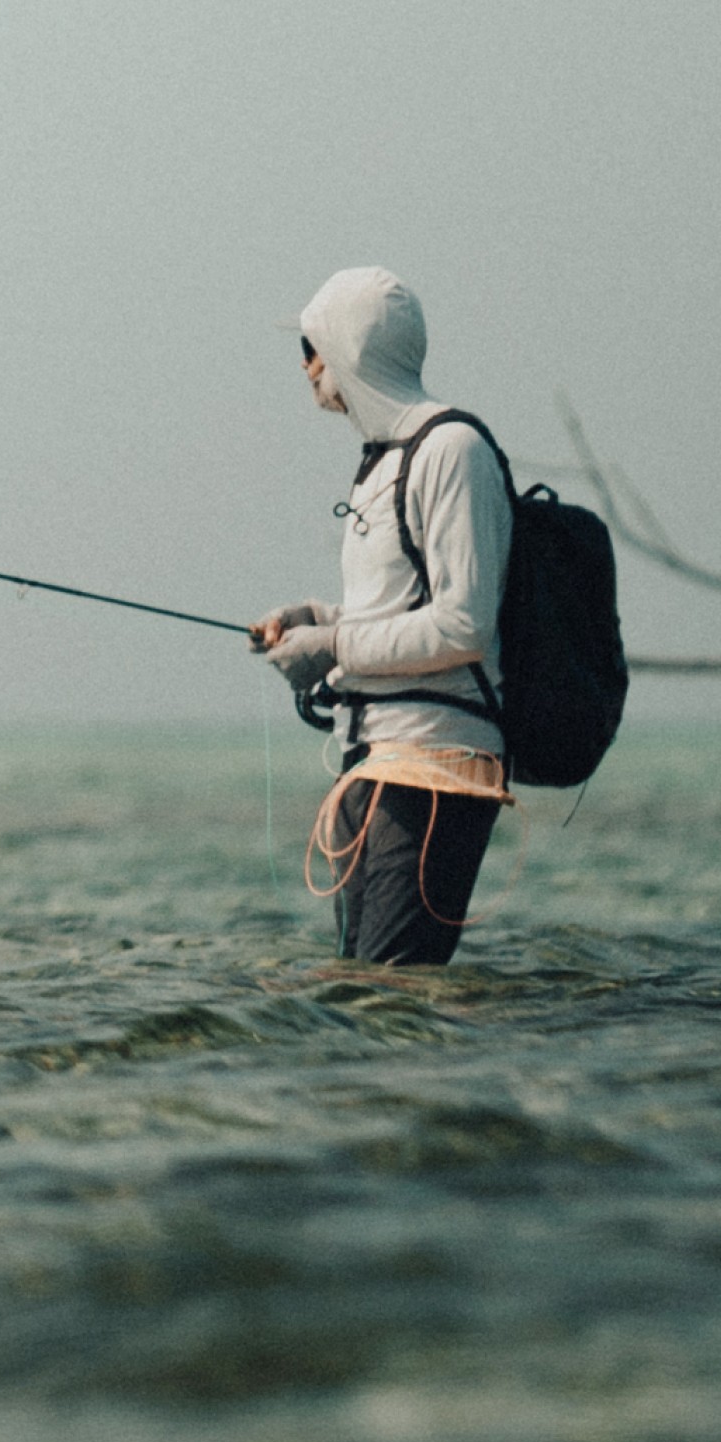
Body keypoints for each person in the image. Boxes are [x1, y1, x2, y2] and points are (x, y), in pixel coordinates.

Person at [252, 266, 511, 966]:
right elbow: (400, 614)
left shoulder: (453, 451)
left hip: (437, 768)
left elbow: (465, 623)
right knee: (362, 997)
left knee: (395, 986)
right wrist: (315, 619)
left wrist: (332, 643)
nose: (305, 365)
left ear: (352, 349)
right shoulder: (381, 465)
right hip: (373, 762)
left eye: (313, 345)